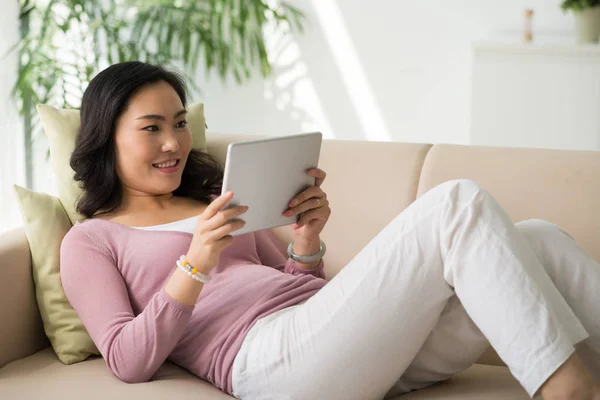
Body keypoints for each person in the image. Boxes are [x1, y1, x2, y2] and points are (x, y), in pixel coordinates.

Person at [60, 61, 600, 400]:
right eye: (151, 128)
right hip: (267, 364)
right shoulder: (91, 240)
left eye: (179, 123)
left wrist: (305, 242)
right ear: (106, 140)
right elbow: (128, 361)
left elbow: (300, 288)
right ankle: (567, 386)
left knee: (538, 237)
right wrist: (194, 262)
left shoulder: (211, 200)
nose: (174, 143)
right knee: (456, 201)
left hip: (341, 350)